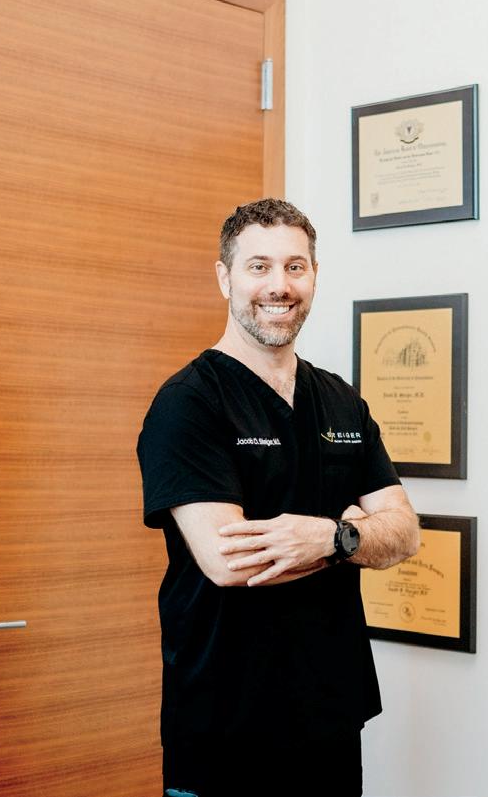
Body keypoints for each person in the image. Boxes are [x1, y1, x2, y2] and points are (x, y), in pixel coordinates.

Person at [136, 198, 421, 797]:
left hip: (330, 712)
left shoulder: (340, 399)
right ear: (225, 278)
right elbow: (230, 563)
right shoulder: (189, 403)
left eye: (295, 267)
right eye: (258, 266)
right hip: (224, 723)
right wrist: (354, 538)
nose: (279, 286)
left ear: (314, 275)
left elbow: (405, 533)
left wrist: (332, 537)